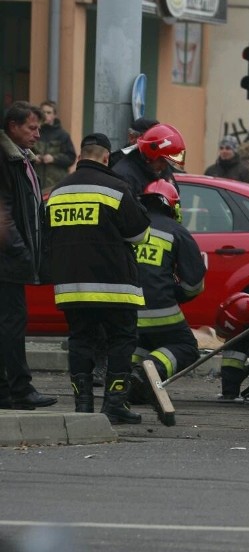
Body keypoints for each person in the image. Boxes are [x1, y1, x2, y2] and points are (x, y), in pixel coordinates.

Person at [44, 133, 150, 422]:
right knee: (121, 339)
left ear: (80, 156)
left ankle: (83, 406)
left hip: (71, 285)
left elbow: (47, 236)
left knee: (80, 340)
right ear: (106, 158)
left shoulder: (57, 192)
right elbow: (139, 234)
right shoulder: (116, 187)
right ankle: (114, 405)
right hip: (114, 284)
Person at [127, 179, 206, 403]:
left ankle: (129, 375)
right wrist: (175, 294)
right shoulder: (176, 231)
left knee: (143, 342)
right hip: (160, 310)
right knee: (187, 347)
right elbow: (194, 283)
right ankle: (146, 373)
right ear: (174, 207)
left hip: (125, 309)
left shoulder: (130, 227)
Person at [0, 101, 57, 410]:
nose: (37, 134)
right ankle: (20, 390)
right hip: (7, 259)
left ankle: (7, 391)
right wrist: (22, 253)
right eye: (31, 128)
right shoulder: (6, 160)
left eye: (39, 128)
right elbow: (3, 216)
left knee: (7, 324)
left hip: (10, 258)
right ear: (13, 127)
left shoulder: (21, 160)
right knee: (12, 323)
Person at [113, 122, 186, 197]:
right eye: (162, 161)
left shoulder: (163, 173)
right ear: (149, 154)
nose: (164, 167)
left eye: (168, 163)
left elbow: (175, 198)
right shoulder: (125, 176)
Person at [31, 100, 76, 194]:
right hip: (35, 183)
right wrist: (34, 157)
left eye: (49, 112)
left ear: (54, 115)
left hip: (56, 185)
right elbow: (24, 152)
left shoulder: (63, 135)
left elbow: (71, 158)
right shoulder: (33, 132)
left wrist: (54, 159)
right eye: (43, 112)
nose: (45, 115)